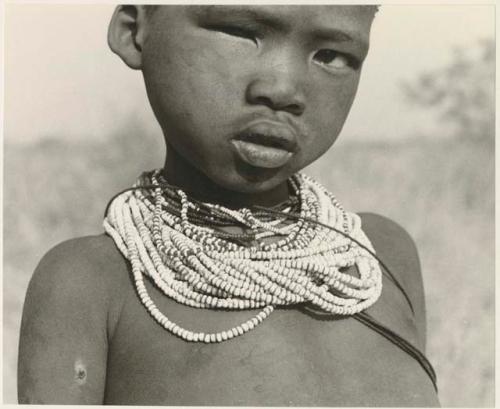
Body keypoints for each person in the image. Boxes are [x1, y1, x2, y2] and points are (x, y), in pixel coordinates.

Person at [17, 5, 440, 406]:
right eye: (241, 32)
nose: (282, 90)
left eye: (330, 54)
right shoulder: (91, 282)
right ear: (133, 31)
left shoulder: (377, 257)